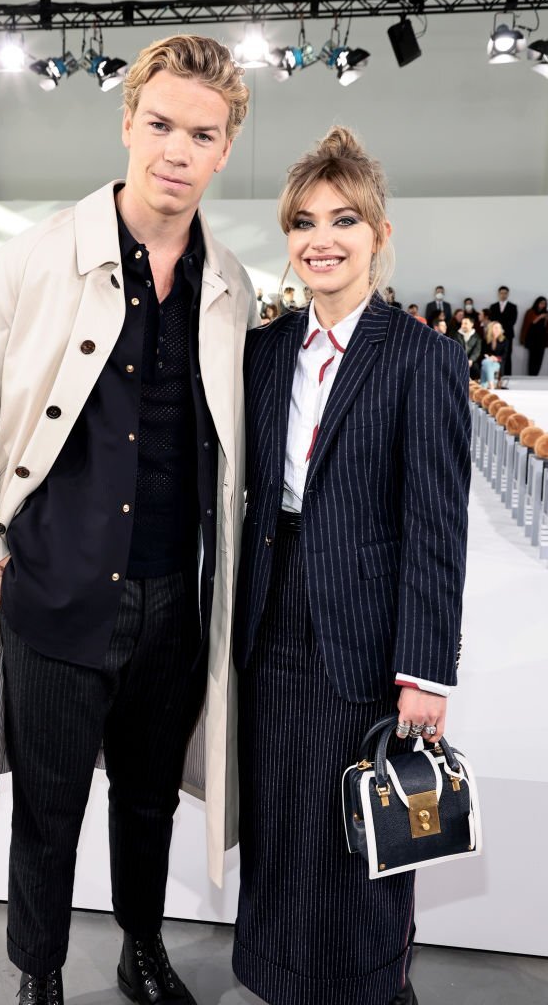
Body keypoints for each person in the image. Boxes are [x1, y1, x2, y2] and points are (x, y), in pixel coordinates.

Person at [0, 34, 255, 1005]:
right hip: (53, 591)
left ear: (225, 149)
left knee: (148, 801)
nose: (176, 151)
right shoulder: (35, 259)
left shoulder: (228, 284)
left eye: (201, 134)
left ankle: (140, 948)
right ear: (127, 124)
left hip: (172, 600)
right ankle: (40, 972)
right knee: (48, 809)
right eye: (160, 125)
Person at [233, 126, 470, 1005]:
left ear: (378, 234)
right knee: (278, 814)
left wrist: (424, 672)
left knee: (361, 824)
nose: (320, 239)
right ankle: (279, 980)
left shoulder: (422, 356)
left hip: (365, 630)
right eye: (302, 222)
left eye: (342, 220)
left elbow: (436, 526)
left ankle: (372, 986)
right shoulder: (263, 353)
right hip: (270, 613)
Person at [488, 286, 517, 374]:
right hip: (495, 334)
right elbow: (492, 319)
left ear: (508, 294)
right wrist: (497, 329)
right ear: (498, 294)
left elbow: (513, 321)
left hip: (507, 334)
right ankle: (494, 373)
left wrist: (501, 329)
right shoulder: (493, 306)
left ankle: (507, 373)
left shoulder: (513, 307)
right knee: (494, 353)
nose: (503, 295)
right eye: (501, 293)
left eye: (505, 293)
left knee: (507, 354)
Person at [520, 296, 548, 376]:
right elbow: (531, 324)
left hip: (542, 339)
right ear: (537, 303)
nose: (543, 305)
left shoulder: (546, 313)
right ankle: (531, 375)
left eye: (544, 304)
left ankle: (535, 375)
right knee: (532, 359)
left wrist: (546, 319)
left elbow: (545, 327)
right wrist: (540, 317)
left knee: (539, 359)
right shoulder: (530, 312)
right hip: (532, 338)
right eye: (541, 303)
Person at [480, 321, 508, 388]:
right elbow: (482, 353)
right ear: (491, 329)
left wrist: (496, 358)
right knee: (486, 362)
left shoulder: (505, 340)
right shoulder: (485, 340)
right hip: (488, 360)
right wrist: (489, 357)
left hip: (497, 362)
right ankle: (491, 384)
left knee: (485, 365)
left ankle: (485, 385)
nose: (497, 329)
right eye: (495, 327)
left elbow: (505, 354)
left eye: (499, 328)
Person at [454, 314, 482, 378]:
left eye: (466, 323)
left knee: (475, 368)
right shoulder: (456, 335)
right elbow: (455, 349)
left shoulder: (477, 337)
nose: (463, 325)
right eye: (462, 323)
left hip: (472, 361)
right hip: (459, 359)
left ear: (472, 324)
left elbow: (477, 350)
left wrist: (471, 359)